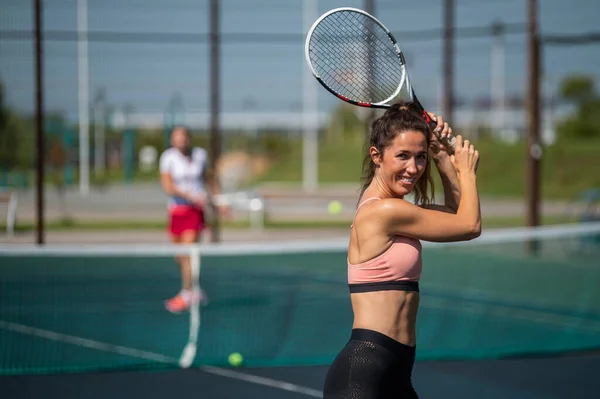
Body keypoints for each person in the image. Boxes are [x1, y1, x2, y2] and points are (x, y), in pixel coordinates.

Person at [322, 101, 481, 398]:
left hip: (397, 372)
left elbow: (455, 211)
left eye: (421, 158)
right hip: (363, 375)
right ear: (377, 156)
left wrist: (442, 156)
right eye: (403, 156)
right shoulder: (383, 212)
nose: (414, 168)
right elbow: (469, 225)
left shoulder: (395, 210)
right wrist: (467, 171)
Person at [159, 126, 227, 313]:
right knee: (180, 256)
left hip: (195, 212)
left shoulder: (200, 155)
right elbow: (167, 186)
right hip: (176, 211)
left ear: (188, 138)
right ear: (172, 140)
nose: (180, 140)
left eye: (183, 137)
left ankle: (186, 293)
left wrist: (219, 202)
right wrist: (189, 196)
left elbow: (209, 180)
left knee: (188, 252)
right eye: (176, 137)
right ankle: (194, 289)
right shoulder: (168, 158)